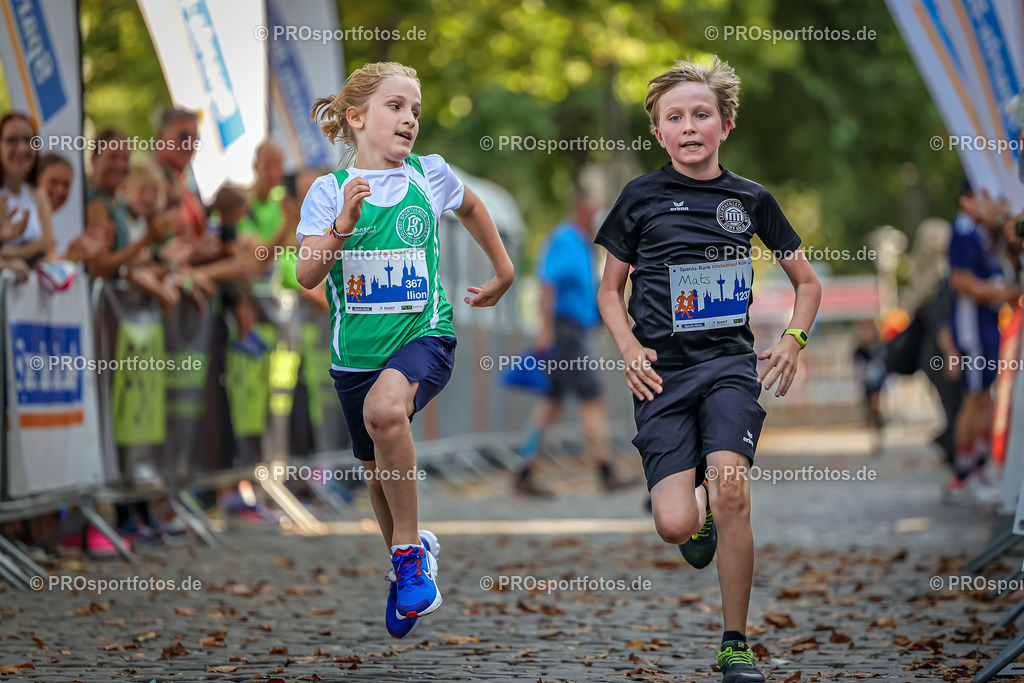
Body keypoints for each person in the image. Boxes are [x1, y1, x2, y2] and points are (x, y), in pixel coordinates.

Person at [595, 57, 821, 683]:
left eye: (702, 115)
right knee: (674, 523)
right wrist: (628, 348)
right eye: (676, 117)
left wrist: (794, 340)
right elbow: (609, 291)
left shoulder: (751, 199)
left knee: (730, 490)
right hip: (661, 375)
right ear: (659, 132)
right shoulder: (638, 198)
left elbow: (807, 281)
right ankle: (693, 526)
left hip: (728, 366)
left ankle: (735, 644)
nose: (690, 126)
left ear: (725, 125)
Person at [295, 62, 514, 639]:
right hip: (355, 357)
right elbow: (305, 275)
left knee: (386, 412)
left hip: (425, 335)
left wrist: (504, 269)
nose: (410, 119)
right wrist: (342, 225)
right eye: (396, 106)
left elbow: (470, 208)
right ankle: (407, 558)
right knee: (374, 469)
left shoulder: (429, 175)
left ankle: (410, 555)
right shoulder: (327, 191)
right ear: (357, 117)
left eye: (416, 109)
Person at [514, 185, 636, 496]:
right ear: (581, 208)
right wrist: (545, 329)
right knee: (592, 398)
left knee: (551, 404)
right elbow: (546, 284)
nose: (598, 216)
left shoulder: (582, 244)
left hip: (572, 331)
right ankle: (605, 470)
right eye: (594, 208)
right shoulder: (566, 239)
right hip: (565, 333)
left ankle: (524, 469)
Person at [945, 184, 1022, 504]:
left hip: (988, 326)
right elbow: (962, 282)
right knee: (974, 398)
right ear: (966, 199)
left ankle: (977, 466)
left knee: (985, 398)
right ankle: (964, 474)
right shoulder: (962, 230)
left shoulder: (981, 231)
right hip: (972, 329)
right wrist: (1004, 292)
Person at [0, 113, 57, 269]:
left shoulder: (38, 196)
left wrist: (9, 252)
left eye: (28, 140)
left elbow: (48, 248)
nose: (21, 149)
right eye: (12, 140)